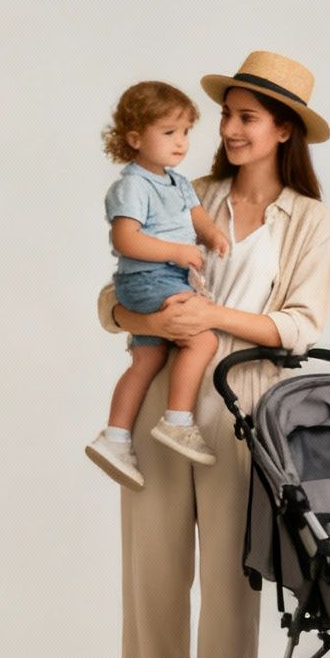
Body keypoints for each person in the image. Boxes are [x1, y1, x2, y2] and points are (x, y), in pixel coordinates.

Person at [95, 52, 330, 658]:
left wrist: (213, 315)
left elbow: (302, 326)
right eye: (227, 116)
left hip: (246, 409)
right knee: (154, 572)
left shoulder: (311, 220)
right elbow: (111, 301)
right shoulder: (181, 191)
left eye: (246, 118)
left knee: (234, 580)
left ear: (284, 131)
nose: (229, 130)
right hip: (165, 398)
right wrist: (154, 318)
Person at [85, 81, 231, 488]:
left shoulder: (177, 182)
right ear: (135, 138)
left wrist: (213, 235)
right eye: (169, 133)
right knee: (202, 339)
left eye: (185, 132)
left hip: (162, 277)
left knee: (146, 361)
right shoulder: (132, 185)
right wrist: (174, 251)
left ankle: (115, 437)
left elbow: (197, 217)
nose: (181, 142)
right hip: (147, 280)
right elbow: (125, 240)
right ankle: (178, 419)